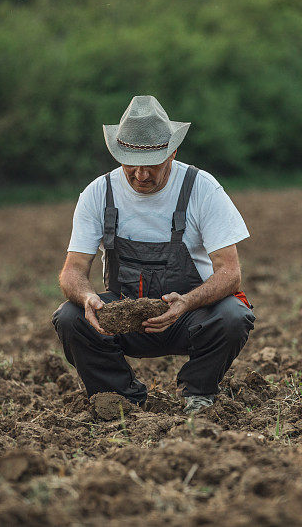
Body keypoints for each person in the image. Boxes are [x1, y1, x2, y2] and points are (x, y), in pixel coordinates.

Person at [52, 95, 256, 415]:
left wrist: (186, 302)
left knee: (233, 315)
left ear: (173, 152)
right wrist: (88, 297)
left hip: (189, 315)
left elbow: (230, 272)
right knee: (69, 316)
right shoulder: (98, 193)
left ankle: (198, 393)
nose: (141, 175)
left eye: (152, 164)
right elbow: (72, 271)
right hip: (124, 316)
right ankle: (119, 398)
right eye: (131, 163)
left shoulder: (202, 188)